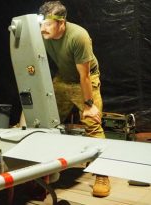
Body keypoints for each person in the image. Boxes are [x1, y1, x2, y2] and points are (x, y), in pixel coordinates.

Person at [39, 1, 110, 197]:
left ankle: (102, 173)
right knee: (47, 120)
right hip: (62, 78)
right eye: (41, 23)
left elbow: (84, 76)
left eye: (47, 24)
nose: (42, 28)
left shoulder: (79, 36)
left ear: (61, 22)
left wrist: (89, 105)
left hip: (84, 80)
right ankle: (42, 171)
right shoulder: (43, 34)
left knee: (93, 125)